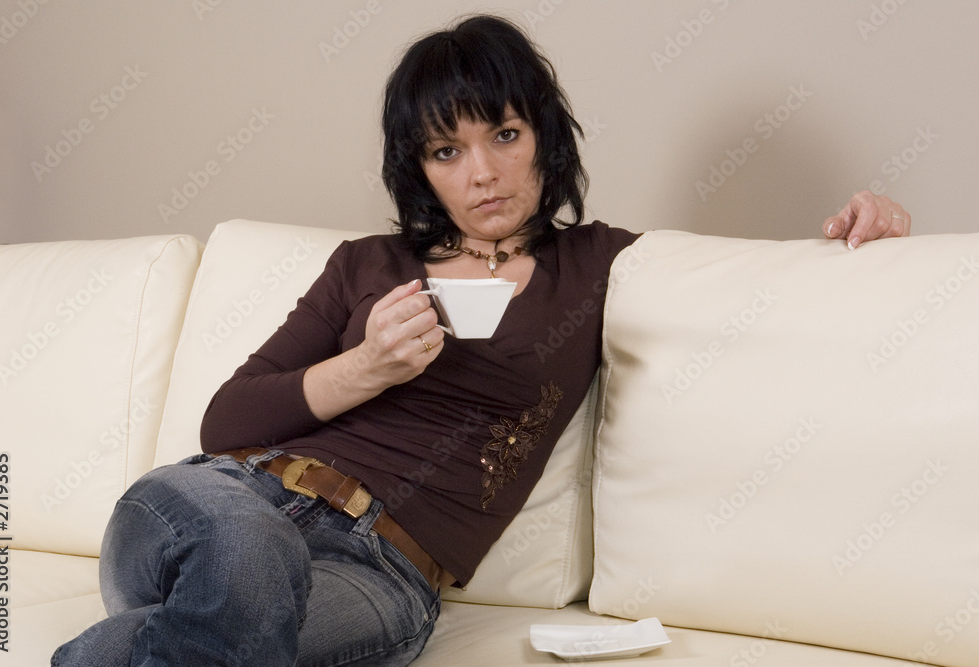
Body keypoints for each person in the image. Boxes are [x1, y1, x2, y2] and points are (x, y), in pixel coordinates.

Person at [53, 13, 911, 667]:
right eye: (445, 150)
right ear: (419, 168)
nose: (483, 173)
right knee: (248, 553)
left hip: (382, 572)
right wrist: (365, 366)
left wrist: (865, 227)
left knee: (232, 621)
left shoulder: (598, 264)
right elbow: (224, 422)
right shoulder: (366, 264)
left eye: (504, 134)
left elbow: (751, 293)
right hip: (227, 502)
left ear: (543, 138)